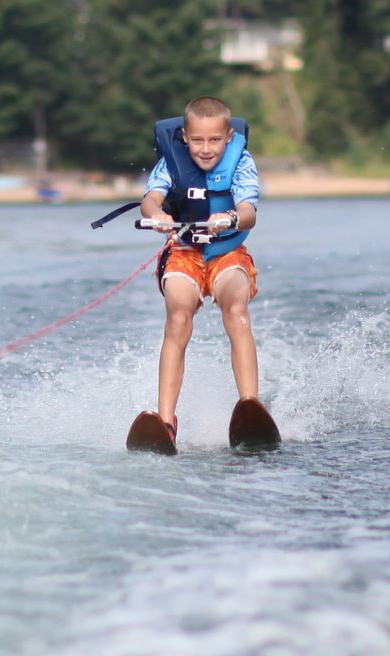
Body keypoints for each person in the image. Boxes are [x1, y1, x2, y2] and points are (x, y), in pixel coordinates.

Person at [140, 96, 260, 446]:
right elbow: (150, 199)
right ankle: (166, 421)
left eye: (214, 140)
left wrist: (231, 218)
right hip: (184, 253)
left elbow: (249, 212)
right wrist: (157, 215)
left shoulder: (241, 162)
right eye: (197, 140)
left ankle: (250, 406)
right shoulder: (171, 161)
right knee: (178, 315)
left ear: (228, 137)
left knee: (236, 310)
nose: (206, 149)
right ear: (185, 137)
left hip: (226, 252)